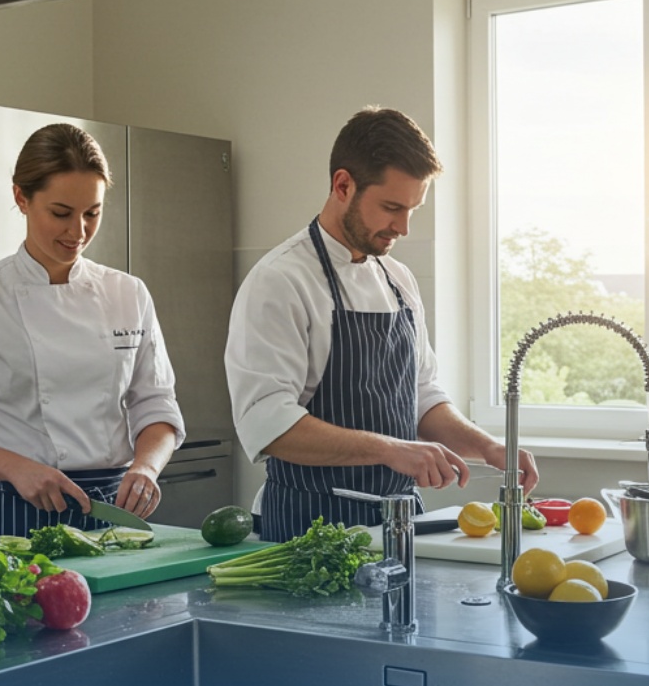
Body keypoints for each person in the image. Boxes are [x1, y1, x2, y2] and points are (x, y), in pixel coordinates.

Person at [225, 106, 539, 542]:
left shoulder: (397, 279)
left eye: (413, 209)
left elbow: (422, 396)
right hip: (309, 529)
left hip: (399, 524)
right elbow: (269, 425)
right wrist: (392, 450)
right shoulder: (280, 280)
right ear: (342, 185)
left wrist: (487, 447)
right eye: (392, 207)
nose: (404, 227)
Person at [0, 123, 184, 540]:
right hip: (13, 511)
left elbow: (157, 405)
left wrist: (145, 467)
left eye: (92, 213)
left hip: (110, 513)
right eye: (60, 213)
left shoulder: (128, 292)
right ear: (21, 197)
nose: (78, 232)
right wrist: (16, 467)